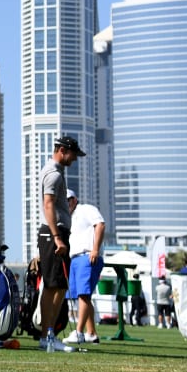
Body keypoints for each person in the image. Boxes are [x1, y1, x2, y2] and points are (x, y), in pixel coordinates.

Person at [38, 135, 86, 352]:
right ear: (63, 150)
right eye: (73, 154)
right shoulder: (54, 174)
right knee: (54, 286)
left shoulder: (56, 172)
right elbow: (48, 205)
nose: (74, 159)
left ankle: (47, 335)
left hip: (54, 233)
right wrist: (57, 237)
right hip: (53, 234)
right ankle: (47, 336)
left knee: (56, 285)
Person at [62, 189, 105, 345]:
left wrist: (95, 249)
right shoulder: (68, 217)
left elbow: (100, 224)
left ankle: (79, 332)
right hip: (75, 259)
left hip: (87, 256)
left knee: (83, 295)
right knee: (82, 296)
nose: (66, 203)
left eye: (68, 200)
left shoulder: (86, 209)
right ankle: (91, 333)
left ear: (74, 199)